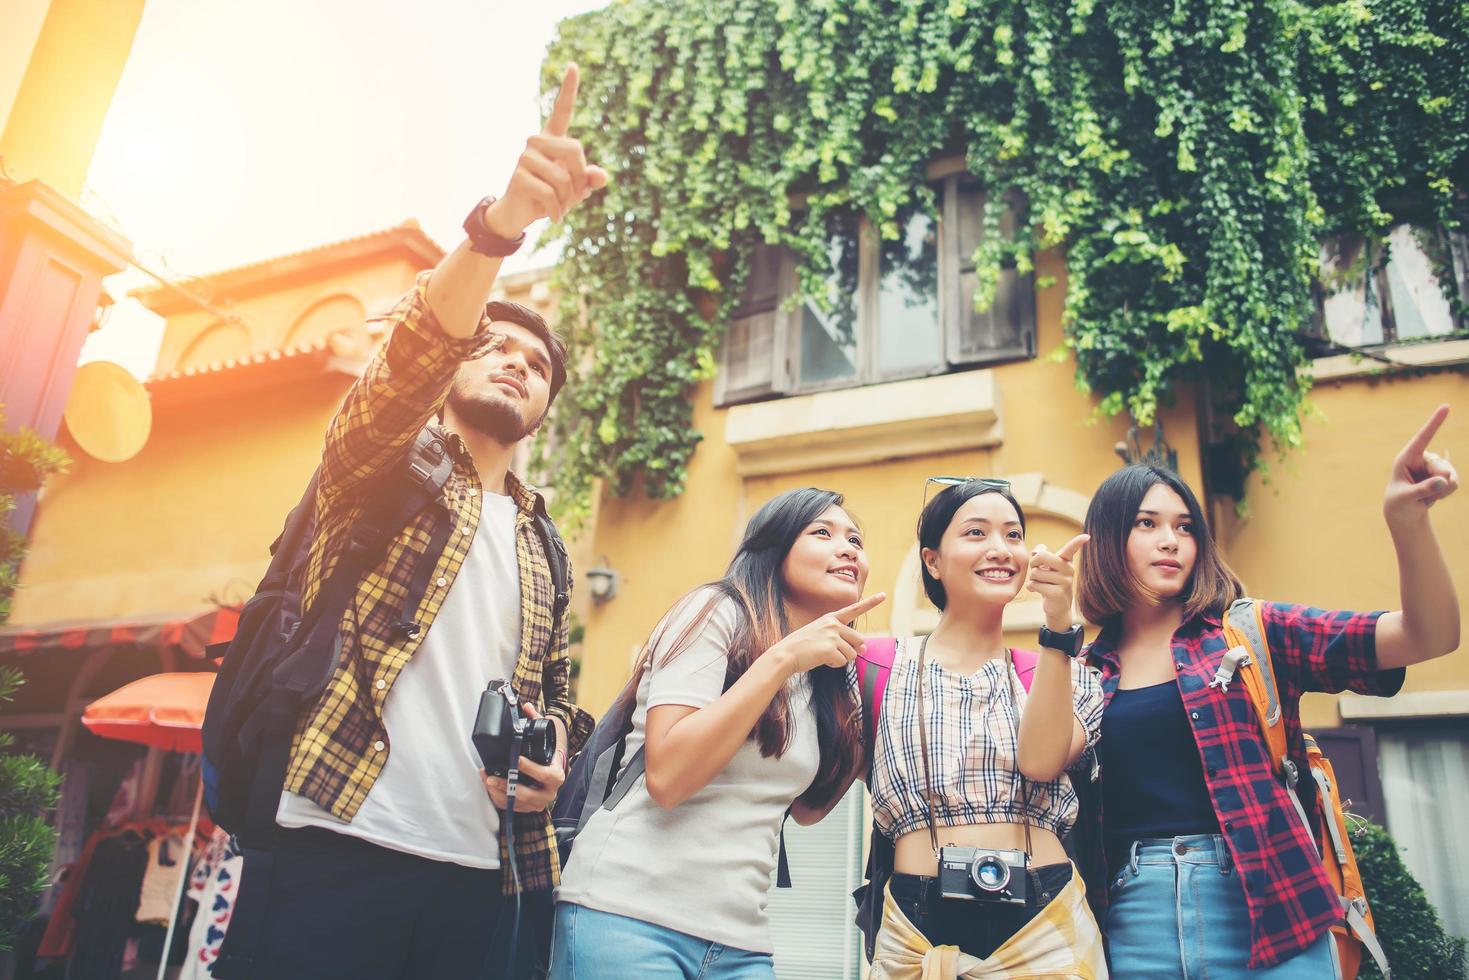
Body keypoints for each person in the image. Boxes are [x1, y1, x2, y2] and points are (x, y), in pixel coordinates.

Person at [215, 64, 606, 980]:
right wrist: (501, 227)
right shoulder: (385, 462)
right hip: (335, 833)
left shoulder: (544, 540)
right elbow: (402, 368)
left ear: (546, 405)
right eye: (493, 348)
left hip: (480, 868)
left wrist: (551, 751)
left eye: (535, 365)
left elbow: (549, 687)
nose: (516, 365)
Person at [1079, 406, 1460, 977]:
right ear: (1109, 537)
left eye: (1185, 527)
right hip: (1135, 924)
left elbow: (1428, 635)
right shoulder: (1081, 672)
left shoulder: (1255, 631)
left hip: (1272, 914)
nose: (1171, 541)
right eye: (1147, 524)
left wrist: (1407, 520)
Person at [549, 487, 885, 980]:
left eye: (855, 538)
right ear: (774, 549)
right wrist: (784, 657)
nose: (848, 547)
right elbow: (668, 776)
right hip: (627, 915)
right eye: (822, 532)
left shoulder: (829, 673)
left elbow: (807, 809)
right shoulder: (716, 612)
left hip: (741, 940)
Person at [866, 478, 1108, 978]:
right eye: (976, 533)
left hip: (1045, 921)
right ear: (932, 560)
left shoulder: (1067, 672)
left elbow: (1040, 762)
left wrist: (1058, 629)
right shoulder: (877, 666)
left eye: (1013, 535)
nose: (1000, 549)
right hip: (916, 932)